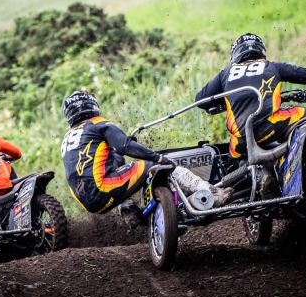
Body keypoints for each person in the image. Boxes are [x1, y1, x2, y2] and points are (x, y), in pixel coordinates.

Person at [61, 91, 233, 225]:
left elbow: (113, 156)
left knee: (116, 159)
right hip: (103, 188)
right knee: (160, 165)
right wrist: (157, 157)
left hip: (87, 202)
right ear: (91, 105)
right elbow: (125, 146)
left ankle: (128, 209)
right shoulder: (97, 123)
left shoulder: (67, 139)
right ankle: (213, 193)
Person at [195, 33, 306, 195]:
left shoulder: (225, 74)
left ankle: (249, 183)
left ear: (235, 54)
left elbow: (200, 100)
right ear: (261, 50)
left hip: (241, 138)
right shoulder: (271, 66)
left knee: (233, 162)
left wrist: (224, 101)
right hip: (271, 126)